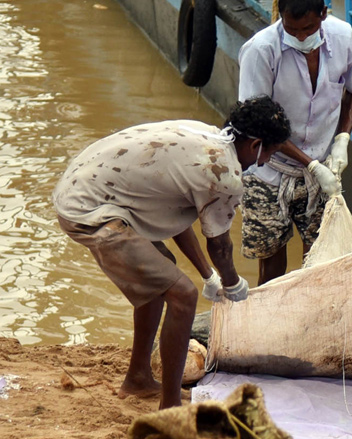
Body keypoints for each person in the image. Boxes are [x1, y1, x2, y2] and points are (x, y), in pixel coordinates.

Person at [53, 98, 291, 409]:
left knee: (162, 270)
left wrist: (208, 275)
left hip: (84, 188)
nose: (264, 163)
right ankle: (169, 406)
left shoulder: (207, 136)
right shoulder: (224, 175)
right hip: (88, 209)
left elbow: (173, 215)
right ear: (255, 144)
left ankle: (138, 378)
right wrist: (233, 284)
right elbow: (219, 245)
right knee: (183, 295)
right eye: (269, 154)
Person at [238, 0, 352, 285]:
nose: (300, 36)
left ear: (323, 14)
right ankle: (269, 319)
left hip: (322, 165)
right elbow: (258, 121)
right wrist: (307, 163)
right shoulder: (261, 51)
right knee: (271, 261)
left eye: (308, 29)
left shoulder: (343, 37)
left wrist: (342, 139)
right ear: (280, 15)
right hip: (269, 168)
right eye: (292, 29)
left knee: (320, 260)